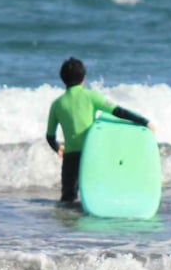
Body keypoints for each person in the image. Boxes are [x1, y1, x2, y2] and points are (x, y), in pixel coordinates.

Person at [45, 57, 151, 204]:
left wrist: (58, 148)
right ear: (84, 78)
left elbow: (50, 136)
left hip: (70, 157)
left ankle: (67, 223)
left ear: (63, 79)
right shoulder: (91, 96)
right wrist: (144, 122)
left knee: (68, 199)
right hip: (91, 153)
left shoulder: (57, 104)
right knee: (94, 194)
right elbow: (118, 111)